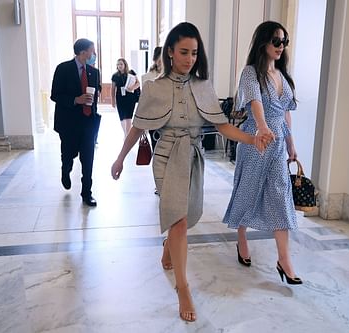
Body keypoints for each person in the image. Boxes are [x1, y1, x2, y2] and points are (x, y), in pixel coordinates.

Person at [111, 22, 272, 322]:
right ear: (170, 52)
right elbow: (138, 127)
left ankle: (168, 249)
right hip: (166, 157)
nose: (189, 58)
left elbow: (222, 126)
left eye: (194, 53)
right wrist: (120, 158)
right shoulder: (153, 87)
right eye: (183, 52)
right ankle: (183, 288)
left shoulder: (204, 86)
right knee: (180, 219)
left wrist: (252, 139)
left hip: (195, 156)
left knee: (186, 218)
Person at [223, 21, 303, 285]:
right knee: (248, 190)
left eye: (284, 41)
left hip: (278, 144)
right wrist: (262, 127)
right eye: (276, 41)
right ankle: (241, 237)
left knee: (281, 197)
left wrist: (291, 143)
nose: (281, 46)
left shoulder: (282, 75)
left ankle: (284, 260)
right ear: (264, 43)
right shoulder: (250, 73)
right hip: (256, 141)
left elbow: (286, 111)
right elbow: (256, 102)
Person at [51, 38, 101, 207]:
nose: (94, 55)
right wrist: (75, 99)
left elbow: (95, 94)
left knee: (88, 159)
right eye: (92, 51)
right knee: (68, 154)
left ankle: (87, 192)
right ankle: (66, 170)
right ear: (82, 52)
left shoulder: (94, 72)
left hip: (88, 122)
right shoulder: (63, 69)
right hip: (68, 123)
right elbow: (55, 95)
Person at [111, 58, 141, 136]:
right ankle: (126, 134)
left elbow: (138, 83)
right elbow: (113, 89)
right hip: (120, 98)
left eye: (121, 64)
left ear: (125, 64)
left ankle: (127, 136)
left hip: (130, 98)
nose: (119, 66)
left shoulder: (131, 73)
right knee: (122, 117)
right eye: (118, 64)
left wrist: (132, 88)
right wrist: (113, 101)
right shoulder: (115, 76)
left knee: (128, 117)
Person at [141, 46, 163, 152]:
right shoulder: (147, 77)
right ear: (155, 60)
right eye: (159, 59)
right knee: (156, 150)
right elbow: (145, 101)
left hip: (171, 122)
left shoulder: (173, 76)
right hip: (154, 119)